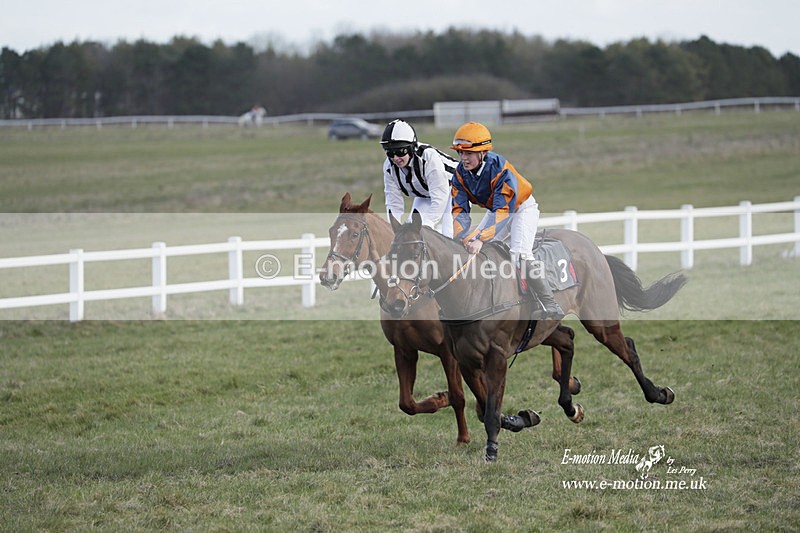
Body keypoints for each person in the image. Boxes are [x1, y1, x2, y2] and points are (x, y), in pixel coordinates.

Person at [449, 121, 564, 320]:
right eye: (461, 153)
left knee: (520, 253)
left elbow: (504, 212)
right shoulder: (460, 173)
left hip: (520, 209)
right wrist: (460, 236)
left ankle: (549, 304)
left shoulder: (500, 169)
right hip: (497, 210)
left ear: (482, 153)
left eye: (468, 153)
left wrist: (480, 237)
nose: (463, 158)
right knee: (482, 249)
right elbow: (459, 209)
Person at [381, 119, 457, 237]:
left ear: (412, 148)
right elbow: (393, 201)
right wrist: (392, 229)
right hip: (425, 193)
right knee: (408, 231)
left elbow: (440, 197)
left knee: (448, 234)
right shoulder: (389, 167)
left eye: (400, 151)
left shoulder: (428, 157)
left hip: (453, 189)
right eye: (390, 153)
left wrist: (428, 224)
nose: (395, 158)